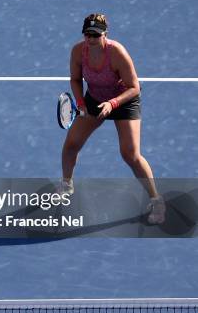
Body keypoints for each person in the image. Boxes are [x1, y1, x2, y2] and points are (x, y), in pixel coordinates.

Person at [60, 13, 165, 224]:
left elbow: (135, 87)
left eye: (96, 35)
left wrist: (113, 104)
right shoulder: (78, 52)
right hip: (95, 99)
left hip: (124, 101)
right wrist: (81, 104)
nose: (91, 39)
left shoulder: (117, 53)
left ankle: (157, 200)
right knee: (71, 145)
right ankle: (66, 185)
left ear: (105, 34)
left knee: (130, 154)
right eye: (88, 34)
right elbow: (75, 79)